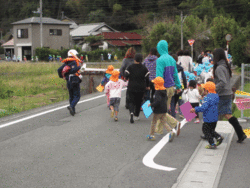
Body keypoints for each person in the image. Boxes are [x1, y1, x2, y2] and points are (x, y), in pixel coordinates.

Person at [213, 48, 247, 143]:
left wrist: (214, 88)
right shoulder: (226, 66)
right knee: (228, 115)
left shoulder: (219, 68)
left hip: (222, 94)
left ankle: (210, 133)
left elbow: (222, 82)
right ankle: (241, 134)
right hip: (228, 94)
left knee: (212, 113)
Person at [155, 40, 182, 134]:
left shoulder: (160, 60)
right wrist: (178, 86)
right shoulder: (172, 59)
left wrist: (157, 87)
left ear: (159, 48)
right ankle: (158, 130)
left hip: (163, 88)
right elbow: (175, 75)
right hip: (171, 88)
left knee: (160, 110)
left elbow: (159, 76)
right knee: (164, 109)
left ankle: (175, 123)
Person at [190, 81, 224, 149]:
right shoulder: (216, 96)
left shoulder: (207, 98)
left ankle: (212, 144)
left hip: (208, 117)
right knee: (211, 130)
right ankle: (218, 137)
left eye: (204, 89)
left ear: (207, 90)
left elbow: (203, 108)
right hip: (215, 117)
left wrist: (195, 109)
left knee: (205, 130)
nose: (203, 90)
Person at [147, 77, 181, 141]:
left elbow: (157, 101)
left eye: (155, 83)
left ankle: (151, 135)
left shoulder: (157, 92)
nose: (154, 85)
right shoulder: (164, 91)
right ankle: (171, 131)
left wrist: (151, 105)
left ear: (157, 84)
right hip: (164, 109)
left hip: (158, 110)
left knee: (153, 122)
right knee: (163, 122)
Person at [125, 53, 150, 123]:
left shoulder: (130, 67)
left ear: (134, 59)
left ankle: (131, 112)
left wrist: (127, 78)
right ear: (141, 59)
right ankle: (136, 115)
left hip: (131, 86)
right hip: (141, 87)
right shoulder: (144, 68)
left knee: (131, 100)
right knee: (139, 101)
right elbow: (147, 78)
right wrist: (147, 86)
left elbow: (126, 75)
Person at [58, 49, 83, 116]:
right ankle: (71, 106)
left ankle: (73, 111)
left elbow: (59, 70)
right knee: (77, 96)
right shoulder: (74, 62)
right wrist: (79, 67)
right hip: (74, 79)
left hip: (68, 80)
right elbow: (73, 70)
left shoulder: (66, 63)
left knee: (71, 95)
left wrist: (62, 76)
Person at [170, 54, 187, 118]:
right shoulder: (180, 68)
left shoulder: (168, 68)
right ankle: (185, 114)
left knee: (172, 101)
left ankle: (173, 116)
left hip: (172, 86)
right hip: (180, 86)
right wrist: (185, 86)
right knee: (181, 99)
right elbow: (183, 78)